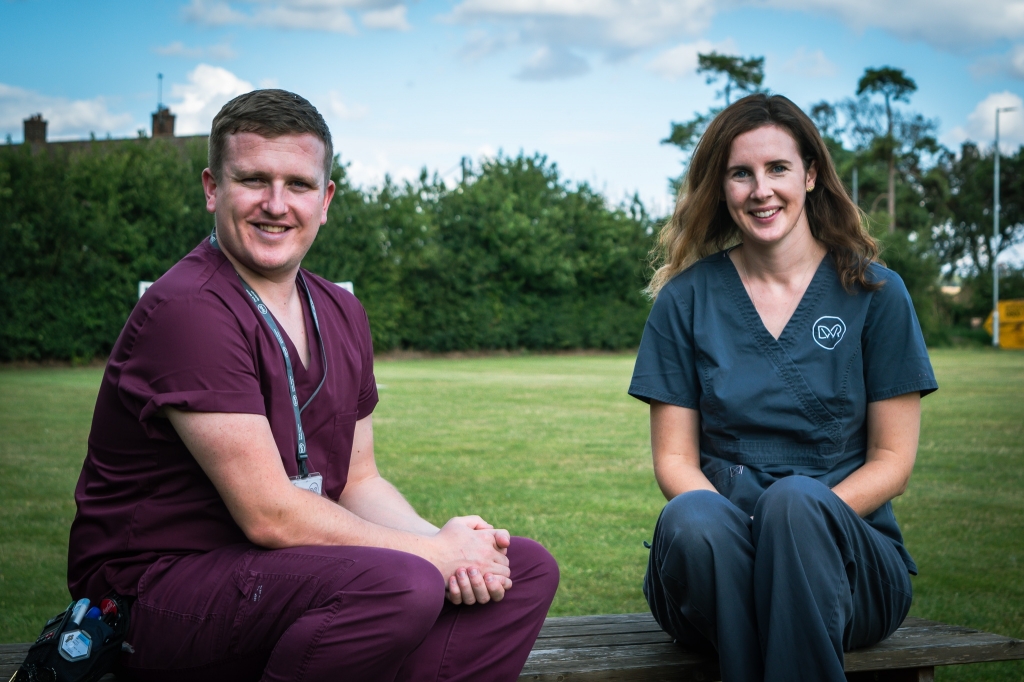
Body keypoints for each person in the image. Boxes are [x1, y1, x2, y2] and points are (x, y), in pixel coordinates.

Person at [67, 89, 559, 682]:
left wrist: (458, 554)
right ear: (211, 188)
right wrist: (432, 556)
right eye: (253, 179)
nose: (276, 204)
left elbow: (358, 479)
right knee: (397, 583)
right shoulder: (190, 310)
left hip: (280, 577)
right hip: (157, 592)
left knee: (521, 566)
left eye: (298, 184)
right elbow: (269, 514)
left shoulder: (341, 310)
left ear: (325, 199)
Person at [628, 93, 937, 682]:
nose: (760, 189)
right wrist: (748, 537)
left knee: (795, 504)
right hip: (717, 560)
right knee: (690, 517)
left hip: (850, 563)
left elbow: (893, 461)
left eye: (777, 169)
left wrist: (793, 531)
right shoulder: (684, 301)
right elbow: (673, 461)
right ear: (721, 188)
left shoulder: (876, 293)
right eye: (740, 173)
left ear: (811, 175)